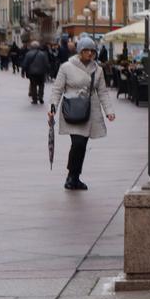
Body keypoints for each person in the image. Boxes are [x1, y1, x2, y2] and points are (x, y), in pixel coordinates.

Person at [49, 36, 115, 190]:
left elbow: (103, 92)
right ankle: (71, 176)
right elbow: (57, 89)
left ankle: (74, 176)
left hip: (89, 111)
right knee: (77, 143)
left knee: (82, 145)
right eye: (86, 51)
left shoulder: (97, 70)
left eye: (92, 51)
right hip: (72, 108)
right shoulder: (66, 67)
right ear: (79, 51)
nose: (90, 54)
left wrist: (109, 111)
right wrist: (52, 107)